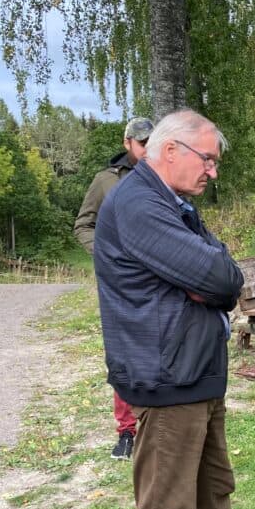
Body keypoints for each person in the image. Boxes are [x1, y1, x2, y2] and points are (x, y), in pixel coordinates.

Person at [93, 109, 255, 509]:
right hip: (167, 376)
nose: (213, 172)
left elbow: (222, 271)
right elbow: (221, 279)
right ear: (170, 150)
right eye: (209, 159)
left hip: (194, 371)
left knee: (211, 489)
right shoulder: (140, 205)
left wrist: (209, 282)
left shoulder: (173, 204)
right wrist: (209, 283)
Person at [75, 116, 154, 460]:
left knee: (159, 349)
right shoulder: (105, 181)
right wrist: (106, 255)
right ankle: (126, 431)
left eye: (152, 143)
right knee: (124, 354)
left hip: (156, 279)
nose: (147, 149)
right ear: (127, 144)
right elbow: (83, 225)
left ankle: (155, 420)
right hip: (120, 282)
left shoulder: (162, 177)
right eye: (141, 143)